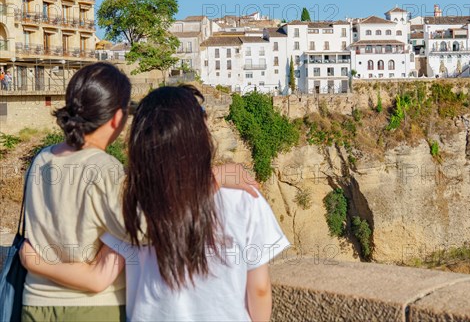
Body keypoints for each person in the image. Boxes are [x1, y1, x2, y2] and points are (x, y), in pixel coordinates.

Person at [21, 85, 289, 321]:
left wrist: (36, 263)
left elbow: (101, 274)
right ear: (201, 134)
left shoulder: (132, 199)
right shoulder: (245, 199)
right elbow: (260, 289)